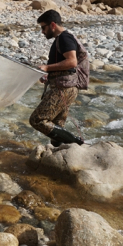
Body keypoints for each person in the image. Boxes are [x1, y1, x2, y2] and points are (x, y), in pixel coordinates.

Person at [29, 9, 85, 146]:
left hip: (64, 89)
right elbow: (67, 67)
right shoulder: (63, 39)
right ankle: (60, 154)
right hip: (67, 86)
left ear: (52, 25)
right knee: (57, 126)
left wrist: (47, 68)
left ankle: (78, 144)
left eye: (43, 27)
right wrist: (50, 76)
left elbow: (72, 62)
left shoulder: (65, 38)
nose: (42, 31)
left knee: (37, 120)